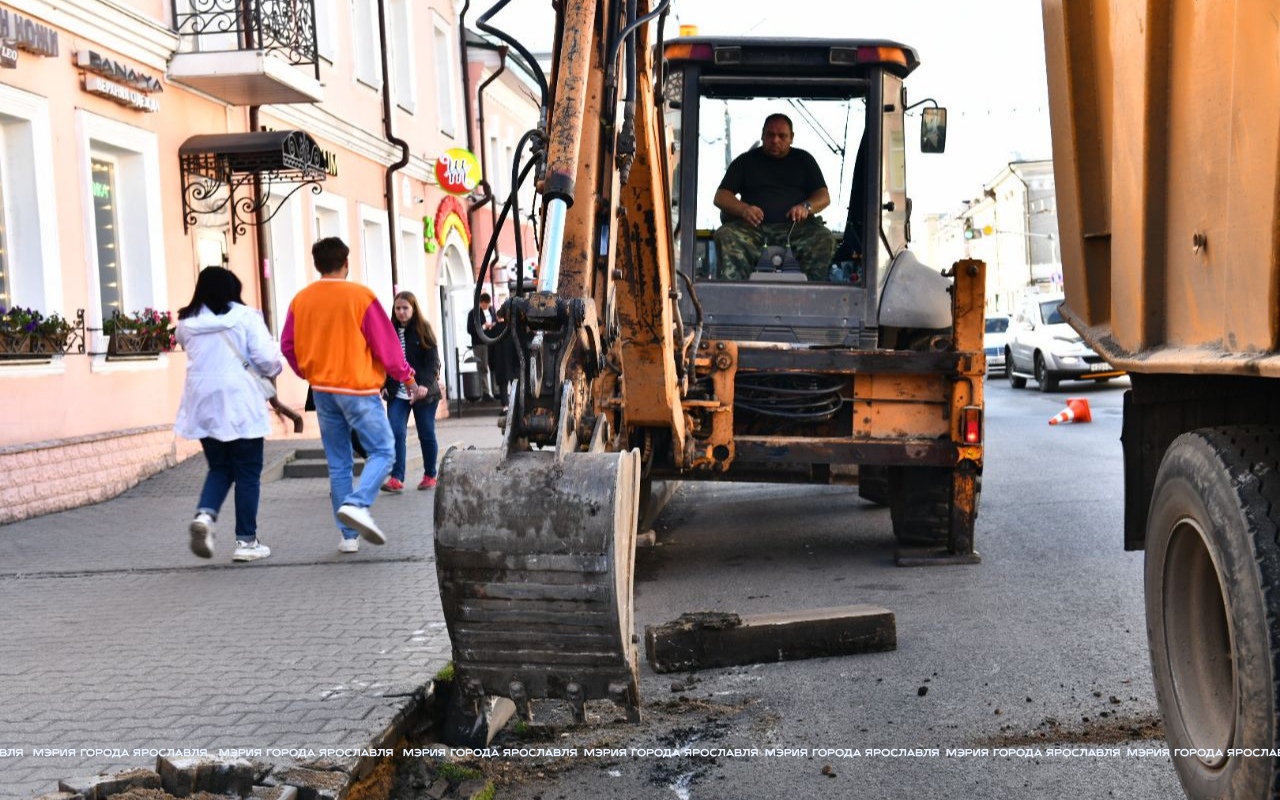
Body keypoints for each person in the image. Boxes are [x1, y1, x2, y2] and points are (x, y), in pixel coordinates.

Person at [281, 237, 427, 554]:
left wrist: (308, 372)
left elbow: (287, 347)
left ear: (317, 264)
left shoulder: (301, 300)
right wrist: (409, 378)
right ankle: (358, 504)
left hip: (322, 391)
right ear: (345, 263)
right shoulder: (361, 296)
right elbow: (387, 348)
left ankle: (348, 536)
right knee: (385, 451)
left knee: (339, 464)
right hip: (358, 389)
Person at [174, 266, 282, 563]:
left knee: (220, 468)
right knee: (247, 472)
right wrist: (276, 361)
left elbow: (186, 346)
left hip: (203, 404)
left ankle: (205, 517)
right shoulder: (246, 318)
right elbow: (267, 360)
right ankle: (246, 542)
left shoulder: (186, 322)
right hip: (241, 403)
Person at [712, 113, 836, 281]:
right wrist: (744, 209)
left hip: (796, 231)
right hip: (754, 230)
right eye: (770, 135)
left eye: (782, 136)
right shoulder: (745, 162)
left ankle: (814, 293)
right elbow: (721, 196)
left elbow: (823, 196)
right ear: (762, 135)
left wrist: (805, 207)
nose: (775, 140)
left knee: (824, 238)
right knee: (725, 234)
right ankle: (737, 293)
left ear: (791, 138)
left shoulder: (804, 161)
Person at [380, 291, 441, 493]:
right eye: (398, 308)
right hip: (398, 392)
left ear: (413, 309)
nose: (401, 312)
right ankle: (397, 477)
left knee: (426, 433)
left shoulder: (423, 330)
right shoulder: (389, 331)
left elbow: (433, 362)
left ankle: (430, 475)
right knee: (396, 432)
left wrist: (423, 384)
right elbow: (383, 362)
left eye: (405, 308)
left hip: (424, 393)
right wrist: (383, 385)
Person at [466, 292, 497, 401]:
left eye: (488, 304)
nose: (487, 306)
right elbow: (470, 329)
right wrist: (484, 326)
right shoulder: (473, 313)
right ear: (481, 303)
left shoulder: (491, 310)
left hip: (491, 341)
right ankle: (485, 392)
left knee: (493, 365)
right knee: (482, 367)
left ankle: (496, 391)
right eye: (485, 304)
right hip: (479, 343)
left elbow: (495, 320)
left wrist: (493, 325)